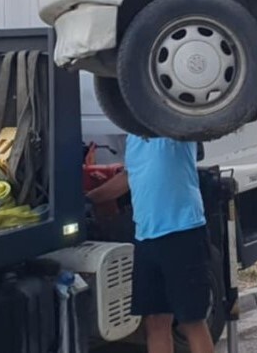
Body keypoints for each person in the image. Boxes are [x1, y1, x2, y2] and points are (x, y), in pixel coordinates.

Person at [86, 134, 215, 353]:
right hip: (146, 238)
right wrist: (89, 198)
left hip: (182, 233)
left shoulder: (172, 130)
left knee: (191, 321)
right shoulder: (134, 138)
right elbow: (130, 176)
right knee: (155, 321)